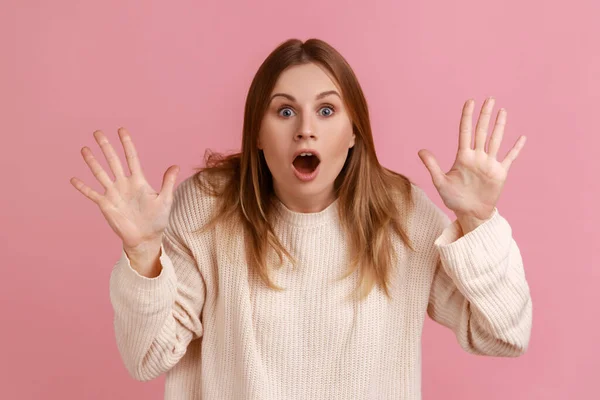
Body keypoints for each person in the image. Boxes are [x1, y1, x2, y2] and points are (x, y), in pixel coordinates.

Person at [70, 38, 532, 400]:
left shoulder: (399, 214)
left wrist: (478, 220)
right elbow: (147, 358)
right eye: (285, 110)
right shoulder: (207, 209)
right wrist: (143, 254)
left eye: (327, 110)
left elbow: (505, 335)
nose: (305, 128)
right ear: (257, 132)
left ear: (354, 133)